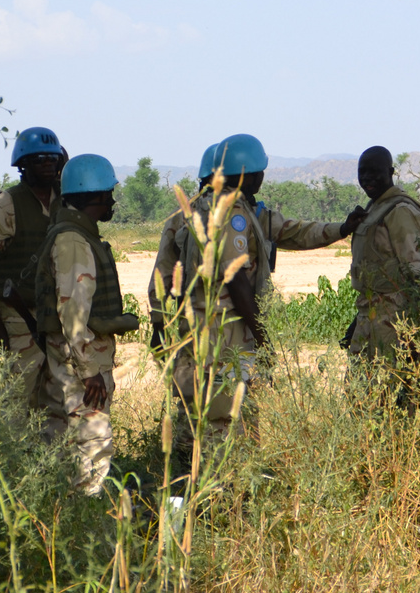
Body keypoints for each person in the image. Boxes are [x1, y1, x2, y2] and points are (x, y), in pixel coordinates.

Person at [147, 133, 363, 466]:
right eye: (260, 170)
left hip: (192, 334)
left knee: (194, 421)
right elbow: (234, 279)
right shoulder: (231, 214)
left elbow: (293, 231)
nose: (264, 177)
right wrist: (262, 334)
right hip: (225, 338)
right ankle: (225, 503)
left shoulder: (216, 214)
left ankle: (185, 498)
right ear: (244, 173)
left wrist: (341, 228)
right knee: (226, 427)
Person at [34, 153, 138, 495]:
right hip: (81, 362)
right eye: (108, 193)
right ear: (95, 196)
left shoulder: (73, 233)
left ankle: (62, 514)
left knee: (59, 438)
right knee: (92, 443)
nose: (111, 201)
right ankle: (89, 514)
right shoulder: (74, 241)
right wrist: (89, 368)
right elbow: (73, 312)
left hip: (71, 359)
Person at [0, 127, 66, 401]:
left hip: (60, 319)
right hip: (19, 318)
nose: (48, 162)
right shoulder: (6, 205)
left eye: (52, 157)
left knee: (58, 404)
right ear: (23, 164)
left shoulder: (67, 202)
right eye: (39, 157)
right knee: (16, 402)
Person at [339, 146, 420, 414]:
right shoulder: (375, 208)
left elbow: (417, 271)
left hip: (393, 321)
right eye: (362, 172)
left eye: (375, 172)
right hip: (369, 317)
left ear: (391, 173)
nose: (367, 178)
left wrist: (412, 333)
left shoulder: (400, 210)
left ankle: (395, 450)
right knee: (361, 397)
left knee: (388, 395)